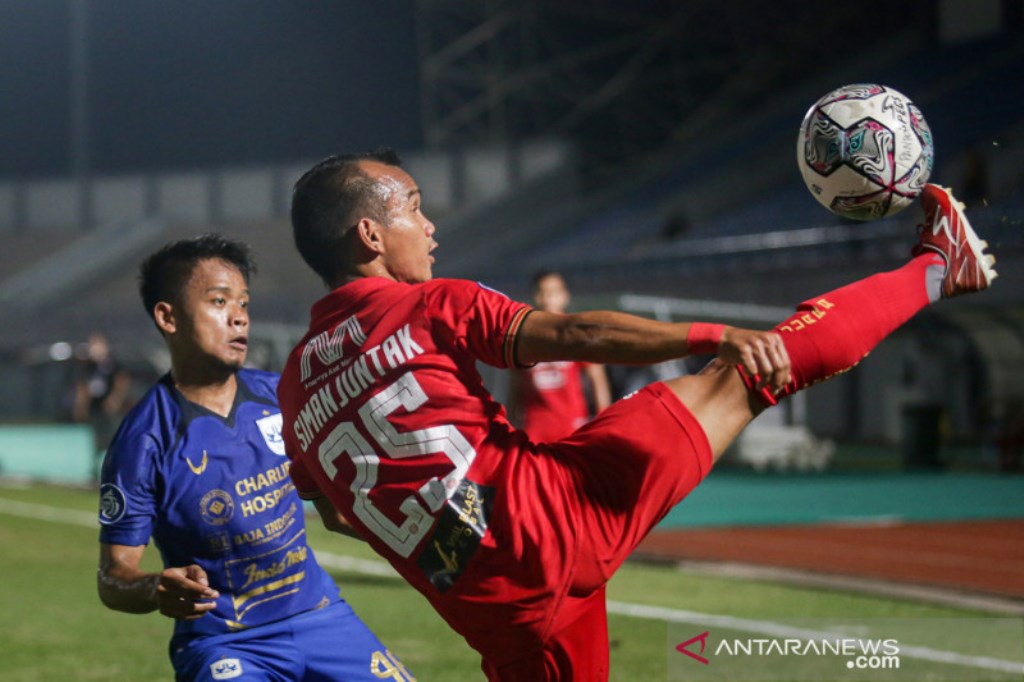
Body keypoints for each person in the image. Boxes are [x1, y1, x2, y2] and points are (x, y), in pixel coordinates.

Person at [277, 149, 996, 681]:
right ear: (371, 235)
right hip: (555, 515)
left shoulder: (293, 386)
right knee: (750, 369)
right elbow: (578, 336)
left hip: (497, 611)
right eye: (413, 206)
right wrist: (709, 334)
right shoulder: (429, 304)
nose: (430, 225)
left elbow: (338, 514)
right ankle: (939, 266)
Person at [96, 235, 413, 682]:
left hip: (321, 618)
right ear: (168, 317)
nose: (240, 316)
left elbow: (339, 511)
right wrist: (153, 587)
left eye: (244, 302)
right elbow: (113, 577)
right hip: (225, 642)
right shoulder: (142, 440)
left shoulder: (284, 396)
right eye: (219, 300)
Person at [508, 270, 612, 441]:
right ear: (536, 296)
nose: (548, 298)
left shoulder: (577, 334)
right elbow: (515, 385)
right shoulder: (524, 337)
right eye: (543, 292)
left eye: (553, 292)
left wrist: (603, 419)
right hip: (535, 428)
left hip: (571, 425)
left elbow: (597, 379)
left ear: (565, 296)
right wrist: (510, 423)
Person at [72, 331, 133, 475]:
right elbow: (84, 387)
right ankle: (96, 468)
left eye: (97, 345)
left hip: (111, 408)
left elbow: (122, 382)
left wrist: (114, 400)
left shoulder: (113, 363)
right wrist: (81, 406)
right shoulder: (89, 366)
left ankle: (121, 467)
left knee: (115, 436)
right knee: (97, 438)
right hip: (96, 407)